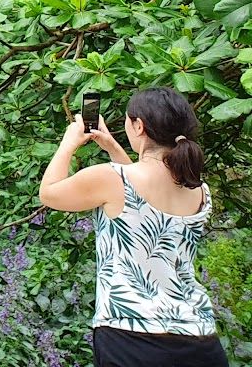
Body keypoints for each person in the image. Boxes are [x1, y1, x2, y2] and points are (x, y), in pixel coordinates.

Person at [39, 86, 227, 367]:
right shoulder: (199, 190)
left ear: (138, 126)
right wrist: (113, 147)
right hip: (201, 340)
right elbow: (135, 204)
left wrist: (69, 142)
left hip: (132, 338)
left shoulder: (111, 178)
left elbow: (49, 193)